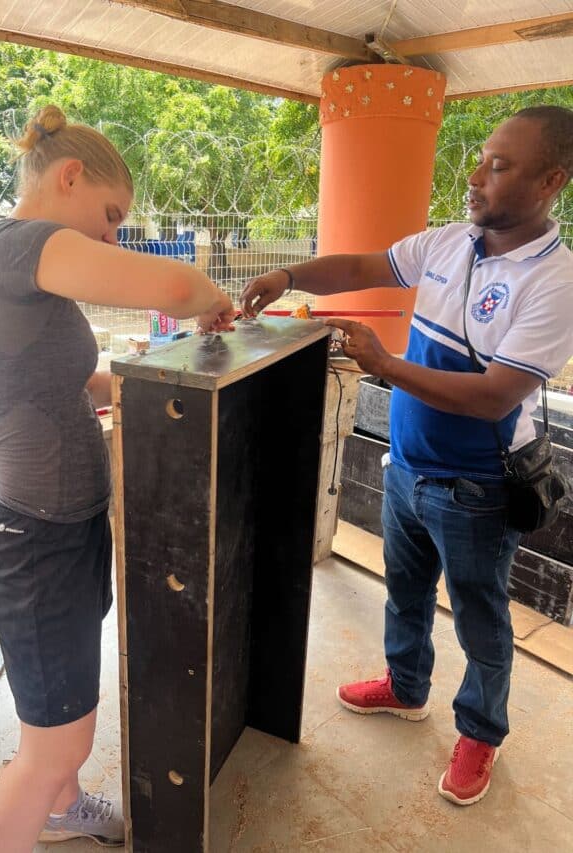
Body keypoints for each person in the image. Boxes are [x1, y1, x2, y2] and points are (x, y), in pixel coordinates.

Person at [240, 105, 573, 807]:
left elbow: (494, 395)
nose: (476, 176)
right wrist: (290, 276)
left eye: (500, 165)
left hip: (477, 487)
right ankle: (406, 684)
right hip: (408, 465)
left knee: (481, 616)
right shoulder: (452, 242)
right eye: (480, 158)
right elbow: (366, 264)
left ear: (551, 181)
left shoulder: (555, 281)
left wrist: (385, 364)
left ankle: (480, 729)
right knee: (407, 590)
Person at [0, 104, 235, 852]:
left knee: (59, 704)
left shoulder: (25, 270)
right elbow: (173, 289)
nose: (112, 236)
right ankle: (38, 804)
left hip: (60, 527)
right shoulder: (13, 246)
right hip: (34, 537)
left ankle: (61, 807)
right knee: (57, 743)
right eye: (110, 216)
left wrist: (143, 379)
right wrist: (210, 297)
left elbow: (66, 386)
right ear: (67, 175)